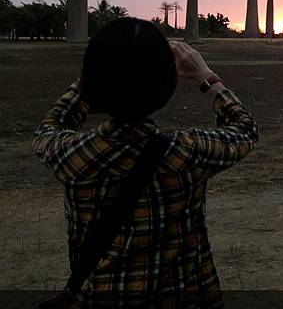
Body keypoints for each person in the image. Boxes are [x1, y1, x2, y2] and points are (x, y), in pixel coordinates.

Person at [33, 17, 259, 308]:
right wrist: (207, 78)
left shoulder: (69, 154)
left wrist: (98, 72)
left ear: (92, 82)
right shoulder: (186, 153)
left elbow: (52, 123)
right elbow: (244, 129)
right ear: (167, 87)